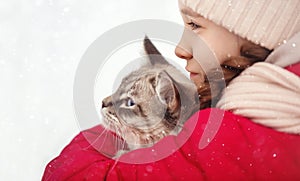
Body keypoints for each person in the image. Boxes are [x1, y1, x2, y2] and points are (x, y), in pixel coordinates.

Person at [42, 0, 300, 180]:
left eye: (195, 26)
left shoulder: (226, 136)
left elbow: (68, 176)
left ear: (255, 32)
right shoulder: (280, 97)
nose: (180, 48)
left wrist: (125, 134)